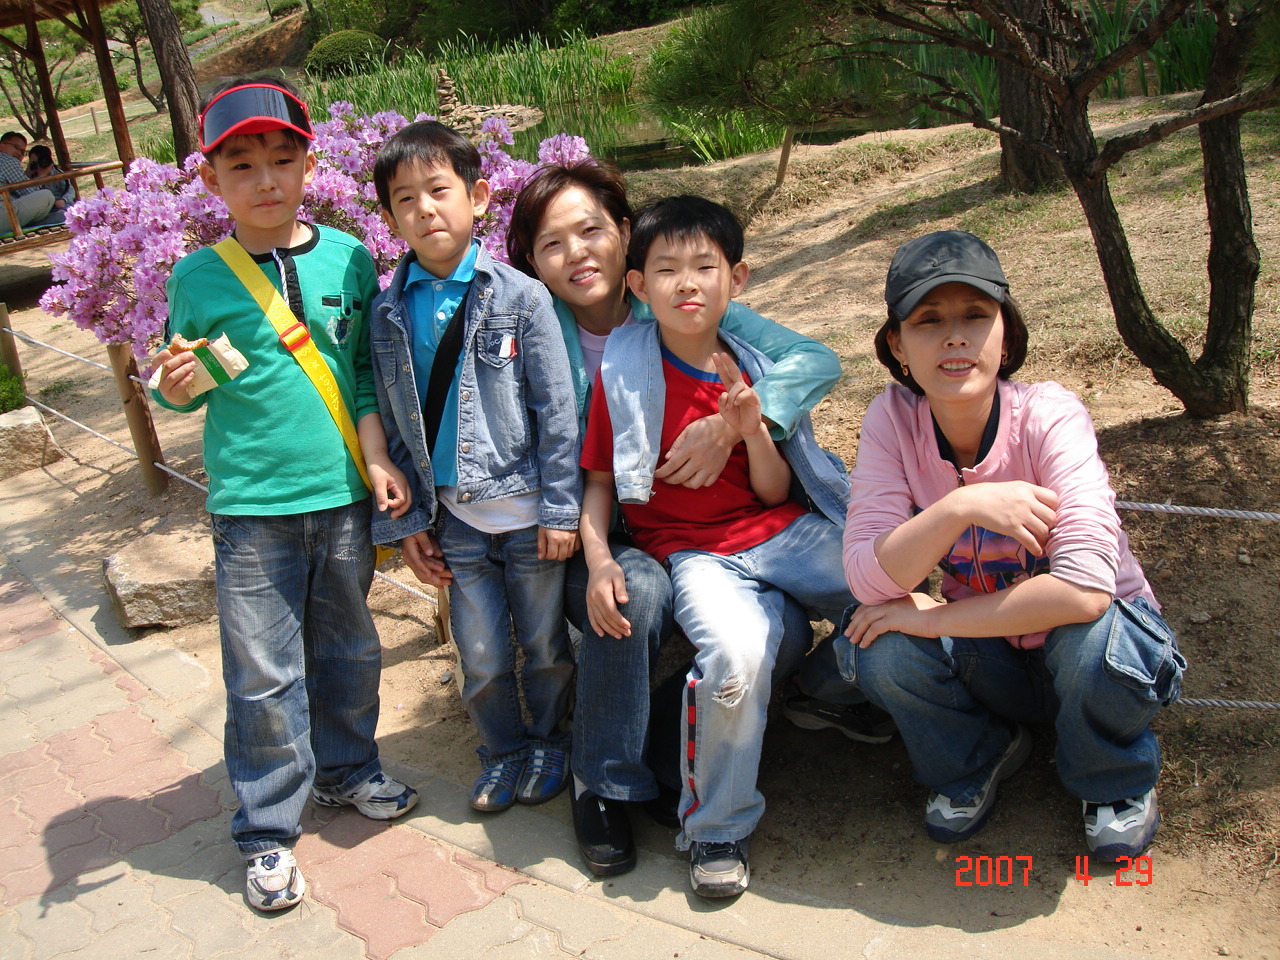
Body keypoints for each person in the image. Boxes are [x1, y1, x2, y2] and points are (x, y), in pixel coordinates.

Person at [507, 163, 890, 880]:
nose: (577, 253)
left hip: (737, 517)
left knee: (807, 618)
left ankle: (699, 738)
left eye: (591, 230)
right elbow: (571, 466)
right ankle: (603, 782)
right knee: (638, 596)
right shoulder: (533, 327)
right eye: (552, 243)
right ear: (531, 259)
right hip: (608, 528)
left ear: (624, 236)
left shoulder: (681, 300)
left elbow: (811, 359)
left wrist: (735, 427)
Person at [151, 76, 418, 913]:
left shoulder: (349, 258)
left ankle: (348, 770)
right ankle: (267, 828)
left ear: (310, 164)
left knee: (350, 651)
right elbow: (179, 380)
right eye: (242, 165)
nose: (265, 180)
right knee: (263, 675)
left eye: (282, 159)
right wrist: (174, 389)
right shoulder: (196, 277)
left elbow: (364, 373)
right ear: (211, 179)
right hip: (251, 509)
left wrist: (377, 458)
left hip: (340, 498)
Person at [839, 230, 1185, 861]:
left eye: (976, 315)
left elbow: (1083, 592)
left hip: (1097, 655)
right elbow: (867, 577)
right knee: (875, 641)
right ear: (897, 345)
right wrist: (960, 507)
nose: (954, 337)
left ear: (1008, 334)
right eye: (928, 320)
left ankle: (1112, 779)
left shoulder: (1050, 415)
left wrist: (933, 618)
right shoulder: (891, 419)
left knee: (1092, 635)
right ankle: (980, 754)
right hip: (993, 652)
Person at [368, 121, 582, 816]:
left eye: (439, 190)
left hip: (528, 515)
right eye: (405, 199)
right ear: (389, 218)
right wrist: (406, 524)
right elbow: (395, 426)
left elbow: (556, 410)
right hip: (454, 521)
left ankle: (550, 742)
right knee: (482, 653)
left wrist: (560, 509)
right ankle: (502, 750)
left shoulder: (521, 297)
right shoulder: (388, 311)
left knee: (544, 645)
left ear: (479, 196)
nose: (425, 209)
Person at [0, 131, 54, 235]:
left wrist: (27, 175)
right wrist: (42, 175)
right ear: (1, 146)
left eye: (22, 152)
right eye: (16, 147)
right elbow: (30, 193)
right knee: (47, 196)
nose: (19, 153)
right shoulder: (8, 160)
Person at [24, 144, 73, 224]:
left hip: (60, 206)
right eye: (35, 163)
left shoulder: (57, 173)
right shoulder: (29, 176)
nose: (40, 165)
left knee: (66, 214)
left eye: (42, 161)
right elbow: (29, 195)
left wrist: (64, 200)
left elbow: (70, 190)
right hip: (43, 211)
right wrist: (36, 176)